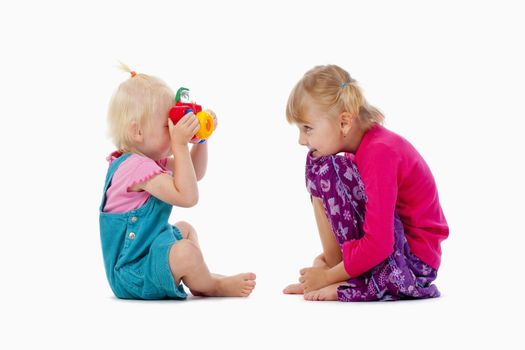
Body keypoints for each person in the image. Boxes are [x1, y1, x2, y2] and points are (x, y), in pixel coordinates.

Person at [283, 65, 448, 301]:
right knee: (319, 167)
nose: (301, 140)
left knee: (326, 170)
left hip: (414, 264)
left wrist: (328, 277)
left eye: (307, 128)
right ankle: (339, 267)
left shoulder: (380, 153)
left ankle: (344, 276)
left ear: (344, 122)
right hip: (394, 248)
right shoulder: (361, 150)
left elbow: (380, 244)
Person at [99, 64, 256, 300]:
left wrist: (200, 140)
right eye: (167, 125)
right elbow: (188, 197)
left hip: (148, 252)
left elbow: (196, 174)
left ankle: (201, 277)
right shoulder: (134, 168)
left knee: (186, 230)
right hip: (132, 275)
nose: (174, 131)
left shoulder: (149, 161)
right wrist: (180, 145)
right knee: (186, 253)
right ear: (137, 132)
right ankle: (211, 285)